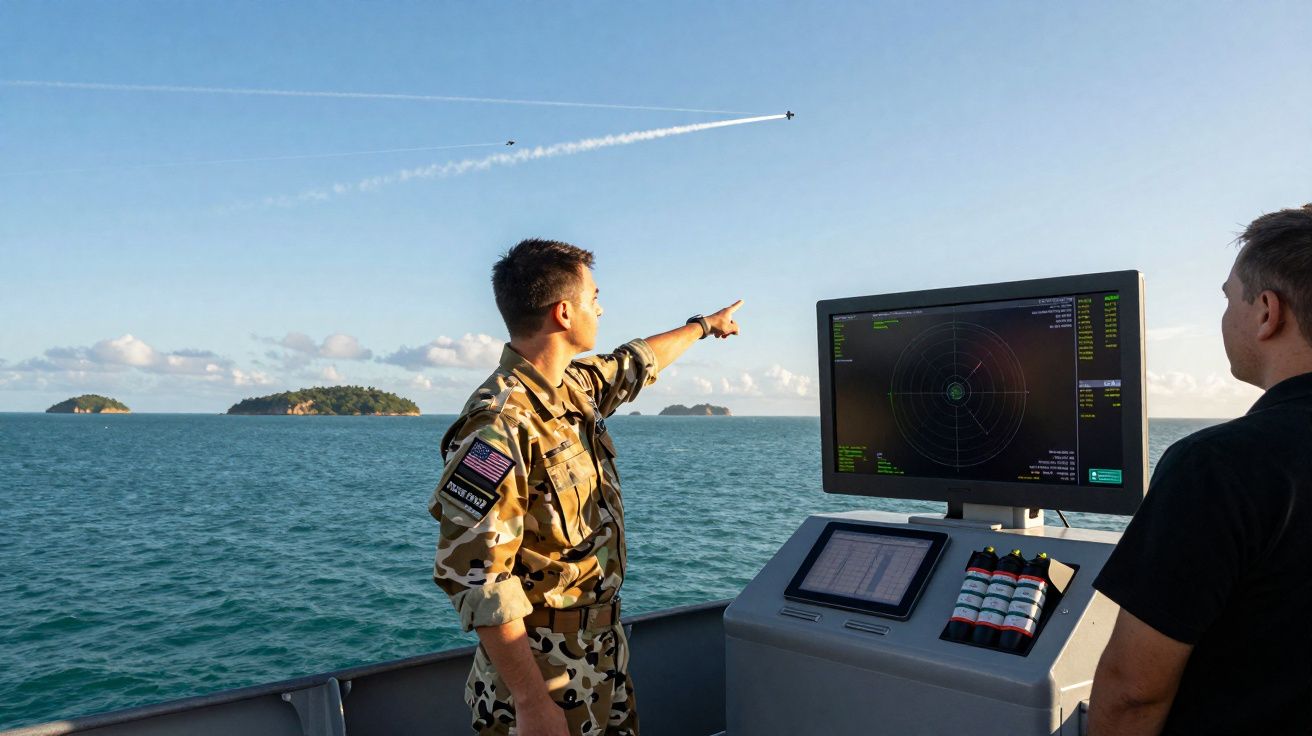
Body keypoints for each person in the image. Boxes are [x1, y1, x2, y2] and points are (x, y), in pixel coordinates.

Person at [428, 238, 742, 736]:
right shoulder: (498, 425)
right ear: (565, 313)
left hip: (602, 656)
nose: (602, 307)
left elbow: (637, 361)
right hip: (541, 676)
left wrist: (705, 326)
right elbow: (477, 577)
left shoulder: (573, 388)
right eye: (594, 297)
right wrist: (532, 703)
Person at [1088, 205, 1312, 735]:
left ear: (1266, 312)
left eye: (1229, 297)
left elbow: (1133, 694)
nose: (1224, 316)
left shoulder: (1217, 467)